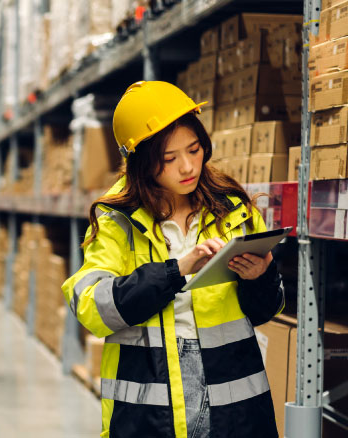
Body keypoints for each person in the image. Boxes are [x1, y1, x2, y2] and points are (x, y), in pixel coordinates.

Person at [61, 81, 284, 437]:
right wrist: (176, 270)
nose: (187, 167)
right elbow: (91, 308)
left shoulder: (233, 209)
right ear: (142, 163)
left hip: (236, 411)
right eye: (169, 159)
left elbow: (262, 312)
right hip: (150, 416)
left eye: (194, 150)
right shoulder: (118, 219)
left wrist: (262, 274)